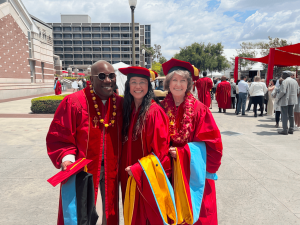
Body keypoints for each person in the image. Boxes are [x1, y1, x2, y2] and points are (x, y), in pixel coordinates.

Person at [46, 60, 123, 225]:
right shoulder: (74, 102)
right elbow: (60, 135)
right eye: (101, 76)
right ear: (91, 79)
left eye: (111, 76)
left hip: (112, 168)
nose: (108, 80)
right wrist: (67, 158)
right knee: (81, 212)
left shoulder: (120, 104)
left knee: (111, 211)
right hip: (83, 168)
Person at [161, 58, 223, 224]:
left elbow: (214, 145)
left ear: (189, 84)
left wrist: (183, 153)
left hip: (193, 173)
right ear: (168, 83)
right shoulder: (159, 108)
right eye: (174, 80)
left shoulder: (200, 109)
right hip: (168, 172)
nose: (178, 84)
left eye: (183, 80)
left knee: (197, 215)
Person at [119, 66, 172, 224]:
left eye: (142, 82)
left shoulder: (154, 112)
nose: (137, 86)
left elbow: (161, 152)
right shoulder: (128, 109)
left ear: (149, 86)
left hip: (145, 177)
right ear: (128, 86)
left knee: (146, 217)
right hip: (128, 176)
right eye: (133, 82)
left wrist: (138, 168)